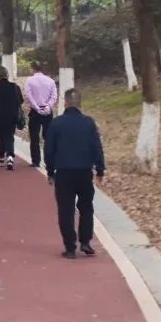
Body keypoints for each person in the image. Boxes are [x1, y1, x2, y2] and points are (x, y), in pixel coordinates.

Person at [45, 89, 106, 259]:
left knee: (66, 209)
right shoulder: (89, 123)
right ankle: (85, 241)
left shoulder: (56, 124)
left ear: (65, 102)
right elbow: (97, 147)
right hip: (85, 171)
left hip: (63, 172)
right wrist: (100, 169)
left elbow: (49, 150)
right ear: (80, 103)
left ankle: (70, 246)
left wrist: (50, 171)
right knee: (86, 206)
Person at [0, 67, 24, 168]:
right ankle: (10, 157)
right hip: (12, 116)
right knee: (10, 136)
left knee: (0, 136)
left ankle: (0, 157)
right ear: (7, 75)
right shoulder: (15, 87)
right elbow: (21, 101)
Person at [24, 61, 58, 170]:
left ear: (33, 69)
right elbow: (54, 96)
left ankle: (36, 161)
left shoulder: (29, 80)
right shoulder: (50, 81)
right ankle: (49, 161)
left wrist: (36, 107)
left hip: (35, 112)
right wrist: (48, 106)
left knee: (34, 137)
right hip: (48, 112)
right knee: (48, 137)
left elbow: (28, 95)